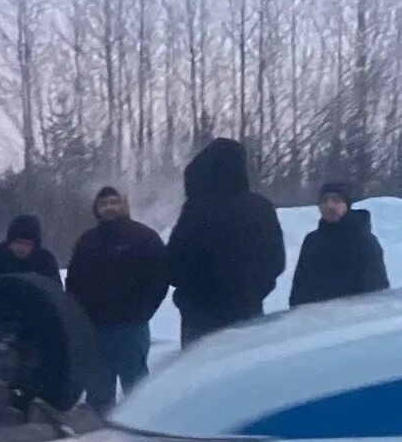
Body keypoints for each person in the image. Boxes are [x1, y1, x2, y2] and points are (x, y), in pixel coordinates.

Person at [168, 137, 285, 345]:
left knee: (201, 374)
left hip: (200, 316)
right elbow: (275, 261)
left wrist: (192, 294)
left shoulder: (196, 210)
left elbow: (174, 263)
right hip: (248, 311)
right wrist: (255, 291)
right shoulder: (261, 208)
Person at [66, 186, 170, 413]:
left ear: (124, 205)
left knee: (138, 390)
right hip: (95, 329)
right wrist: (79, 318)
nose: (109, 207)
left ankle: (144, 434)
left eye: (114, 202)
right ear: (97, 209)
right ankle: (98, 440)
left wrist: (144, 311)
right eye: (104, 204)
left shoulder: (143, 237)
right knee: (98, 393)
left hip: (130, 328)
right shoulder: (87, 242)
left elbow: (160, 277)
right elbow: (73, 282)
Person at [289, 180, 390, 307]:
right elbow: (300, 287)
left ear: (347, 204)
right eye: (324, 200)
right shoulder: (312, 241)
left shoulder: (363, 240)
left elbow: (377, 289)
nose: (329, 205)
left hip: (353, 319)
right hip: (314, 320)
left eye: (336, 200)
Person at [0, 213, 62, 282]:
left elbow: (55, 294)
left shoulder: (45, 262)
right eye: (18, 242)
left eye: (28, 244)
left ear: (35, 245)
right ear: (10, 241)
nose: (22, 248)